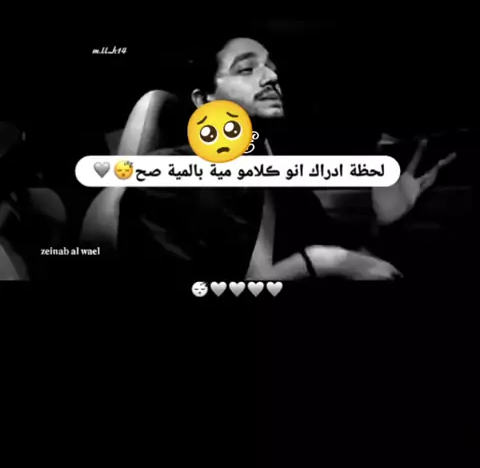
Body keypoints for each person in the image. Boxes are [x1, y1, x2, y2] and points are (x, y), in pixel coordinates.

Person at [117, 34, 455, 284]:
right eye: (246, 69)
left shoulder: (283, 182)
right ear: (204, 100)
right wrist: (315, 262)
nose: (271, 77)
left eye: (271, 68)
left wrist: (386, 223)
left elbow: (357, 266)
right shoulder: (165, 182)